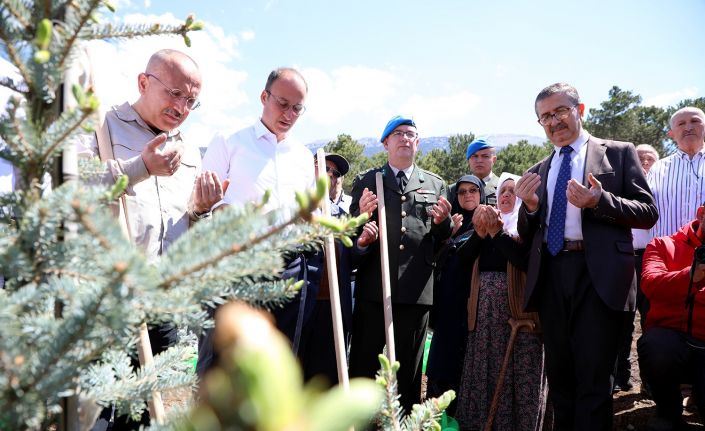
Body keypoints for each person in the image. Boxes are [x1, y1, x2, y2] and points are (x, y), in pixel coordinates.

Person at [78, 49, 226, 430]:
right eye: (174, 93)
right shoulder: (102, 125)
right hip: (109, 297)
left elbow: (185, 228)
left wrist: (201, 210)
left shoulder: (187, 149)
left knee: (146, 410)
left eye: (191, 101)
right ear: (144, 83)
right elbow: (74, 188)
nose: (182, 107)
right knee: (98, 410)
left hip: (161, 300)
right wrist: (140, 167)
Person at [515, 82, 658, 431]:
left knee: (594, 377)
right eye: (544, 117)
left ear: (580, 111)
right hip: (552, 275)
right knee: (561, 378)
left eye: (560, 111)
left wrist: (600, 201)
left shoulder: (619, 153)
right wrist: (531, 208)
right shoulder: (539, 169)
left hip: (599, 277)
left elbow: (647, 212)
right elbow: (528, 227)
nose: (553, 121)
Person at [197, 67, 314, 376]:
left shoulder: (303, 157)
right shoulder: (228, 141)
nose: (289, 113)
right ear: (264, 96)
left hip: (288, 268)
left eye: (297, 108)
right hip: (236, 265)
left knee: (278, 361)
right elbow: (203, 204)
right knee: (222, 360)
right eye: (282, 103)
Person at [348, 115, 452, 412]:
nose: (405, 138)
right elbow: (354, 234)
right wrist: (361, 220)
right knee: (364, 368)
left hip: (415, 293)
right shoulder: (368, 182)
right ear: (385, 144)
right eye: (398, 134)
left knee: (408, 374)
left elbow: (441, 240)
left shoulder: (435, 184)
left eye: (410, 134)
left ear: (417, 143)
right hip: (373, 291)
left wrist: (443, 224)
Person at [454, 178, 547, 431]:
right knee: (487, 368)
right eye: (502, 190)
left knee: (517, 370)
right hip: (485, 312)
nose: (506, 195)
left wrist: (497, 233)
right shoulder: (486, 221)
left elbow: (524, 261)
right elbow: (463, 260)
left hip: (518, 312)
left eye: (512, 190)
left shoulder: (527, 225)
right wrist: (481, 233)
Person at [638, 200, 705, 431]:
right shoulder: (662, 245)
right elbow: (649, 283)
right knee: (657, 346)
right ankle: (668, 411)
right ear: (701, 214)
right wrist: (691, 277)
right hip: (670, 343)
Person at [425, 175, 486, 416]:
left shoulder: (487, 221)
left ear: (481, 194)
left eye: (473, 190)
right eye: (462, 192)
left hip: (473, 304)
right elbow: (434, 259)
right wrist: (450, 234)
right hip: (448, 304)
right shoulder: (450, 224)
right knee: (443, 362)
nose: (468, 195)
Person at [613, 143, 661, 394]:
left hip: (654, 259)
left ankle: (651, 381)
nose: (644, 162)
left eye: (649, 158)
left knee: (652, 320)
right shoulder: (623, 185)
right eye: (639, 158)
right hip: (624, 258)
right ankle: (620, 377)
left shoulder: (662, 188)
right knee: (622, 322)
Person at [647, 107, 705, 239]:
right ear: (671, 134)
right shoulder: (657, 169)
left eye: (695, 121)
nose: (688, 127)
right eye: (681, 123)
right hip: (667, 255)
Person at [466, 139, 499, 206]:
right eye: (474, 156)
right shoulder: (455, 190)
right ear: (468, 161)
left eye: (485, 156)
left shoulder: (503, 187)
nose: (479, 160)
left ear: (494, 160)